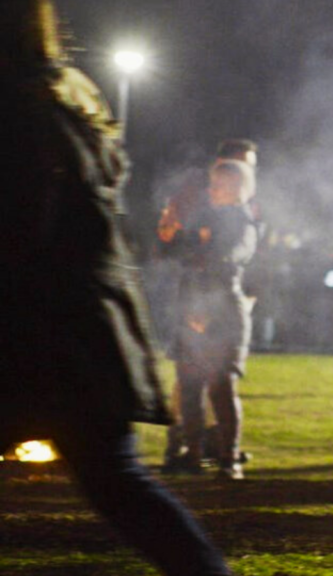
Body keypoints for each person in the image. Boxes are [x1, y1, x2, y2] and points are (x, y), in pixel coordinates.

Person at [0, 2, 232, 573]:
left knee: (119, 483)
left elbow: (19, 228)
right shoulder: (62, 103)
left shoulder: (24, 113)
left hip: (54, 340)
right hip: (74, 338)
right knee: (119, 482)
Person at [159, 139, 258, 473]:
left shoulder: (242, 221)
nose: (212, 189)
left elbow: (225, 260)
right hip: (194, 306)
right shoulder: (210, 216)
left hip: (221, 311)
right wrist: (171, 235)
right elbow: (182, 254)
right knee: (189, 385)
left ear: (235, 187)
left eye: (218, 184)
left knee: (220, 386)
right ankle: (192, 453)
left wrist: (205, 309)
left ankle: (229, 459)